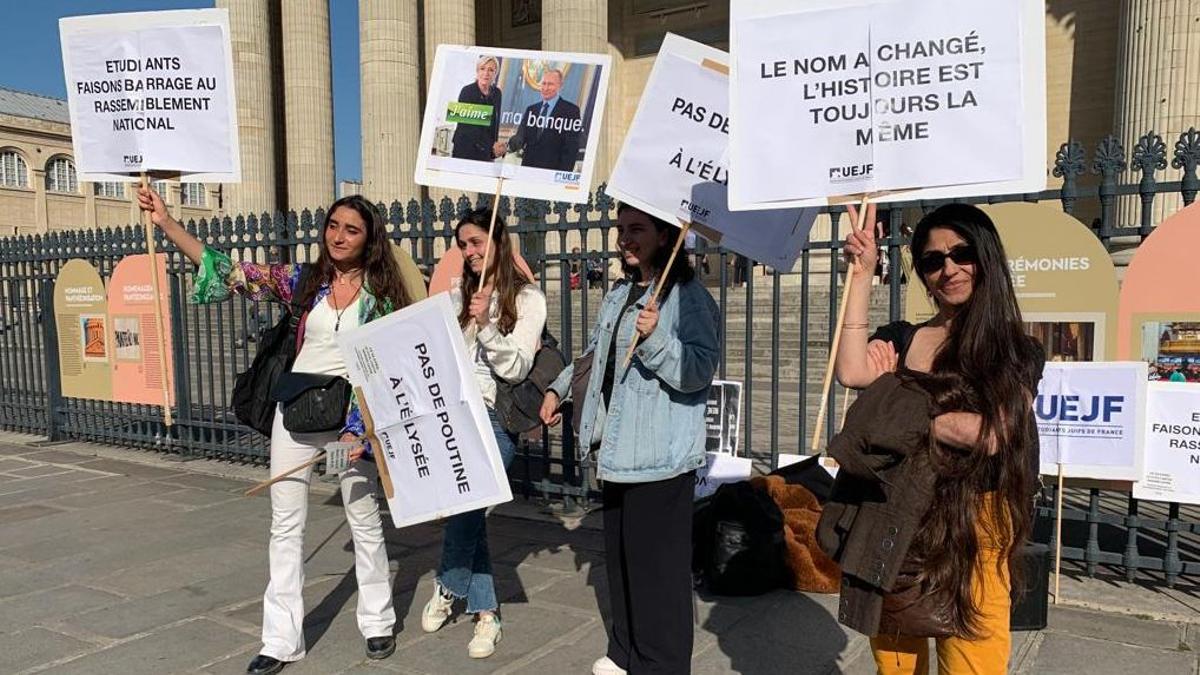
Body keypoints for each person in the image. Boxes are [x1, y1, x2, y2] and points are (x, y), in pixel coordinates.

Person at [138, 188, 424, 675]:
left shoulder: (383, 297)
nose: (338, 236)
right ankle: (280, 640)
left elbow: (383, 369)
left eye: (351, 229)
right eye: (333, 226)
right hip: (295, 413)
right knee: (285, 526)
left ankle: (377, 621)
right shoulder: (304, 281)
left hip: (350, 421)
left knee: (365, 521)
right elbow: (232, 272)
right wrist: (167, 225)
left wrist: (359, 431)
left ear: (369, 238)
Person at [831, 202, 1044, 675]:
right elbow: (851, 372)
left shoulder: (1016, 348)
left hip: (978, 521)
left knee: (974, 662)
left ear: (985, 257)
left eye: (961, 253)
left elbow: (992, 434)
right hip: (894, 515)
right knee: (896, 664)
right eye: (932, 260)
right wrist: (863, 275)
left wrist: (901, 406)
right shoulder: (903, 337)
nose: (948, 269)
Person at [539, 204, 720, 674]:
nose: (624, 238)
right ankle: (626, 652)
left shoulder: (688, 297)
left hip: (660, 456)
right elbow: (595, 353)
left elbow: (698, 371)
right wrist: (559, 389)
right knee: (621, 563)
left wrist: (658, 338)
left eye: (636, 229)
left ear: (665, 234)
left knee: (657, 576)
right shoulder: (620, 293)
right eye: (621, 229)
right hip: (618, 452)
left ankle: (660, 664)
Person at [422, 208, 547, 658]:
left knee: (471, 504)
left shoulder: (529, 298)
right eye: (463, 245)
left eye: (476, 242)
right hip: (454, 414)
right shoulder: (457, 294)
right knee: (469, 513)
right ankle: (487, 615)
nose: (469, 252)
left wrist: (488, 327)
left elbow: (517, 367)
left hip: (496, 418)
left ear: (499, 241)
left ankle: (448, 581)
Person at [493, 68, 581, 172]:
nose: (545, 88)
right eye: (543, 83)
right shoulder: (531, 109)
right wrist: (506, 146)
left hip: (553, 172)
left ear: (560, 86)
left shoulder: (571, 111)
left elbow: (571, 149)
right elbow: (520, 138)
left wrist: (561, 176)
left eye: (550, 84)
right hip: (528, 170)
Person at [451, 55, 503, 162]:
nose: (486, 73)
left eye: (491, 70)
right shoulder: (467, 91)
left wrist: (494, 150)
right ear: (477, 71)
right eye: (482, 69)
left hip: (486, 152)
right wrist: (491, 145)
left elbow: (494, 125)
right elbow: (469, 128)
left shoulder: (497, 93)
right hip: (465, 150)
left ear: (495, 74)